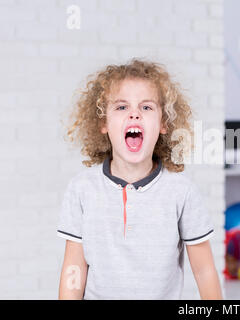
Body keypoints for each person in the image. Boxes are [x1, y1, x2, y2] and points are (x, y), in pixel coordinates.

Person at [57, 59, 223, 299]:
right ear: (104, 122)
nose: (134, 114)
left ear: (163, 123)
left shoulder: (181, 192)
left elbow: (204, 270)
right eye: (121, 107)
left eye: (146, 107)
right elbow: (74, 269)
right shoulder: (82, 189)